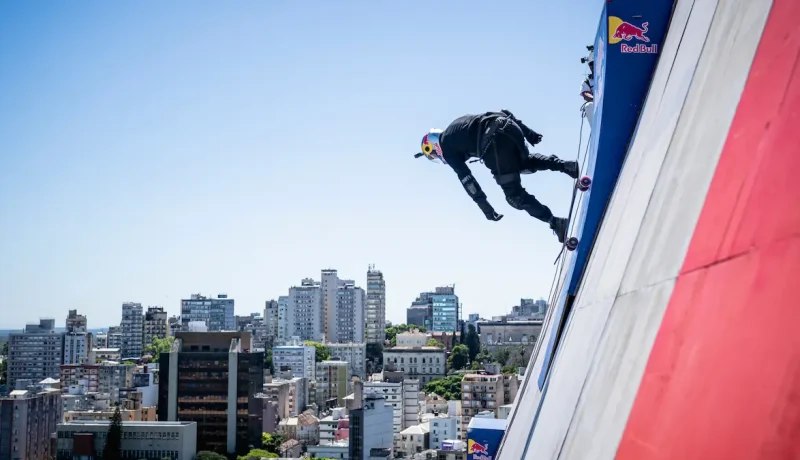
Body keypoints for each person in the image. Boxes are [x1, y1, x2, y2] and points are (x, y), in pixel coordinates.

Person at [414, 110, 579, 243]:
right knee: (523, 164)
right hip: (509, 127)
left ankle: (556, 222)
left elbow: (468, 181)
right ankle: (566, 165)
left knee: (514, 197)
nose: (438, 158)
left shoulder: (447, 147)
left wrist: (486, 209)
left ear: (433, 145)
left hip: (494, 143)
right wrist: (528, 133)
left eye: (434, 155)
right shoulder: (457, 125)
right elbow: (501, 113)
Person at [580, 54, 595, 128]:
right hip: (596, 104)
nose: (592, 66)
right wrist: (595, 98)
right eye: (590, 64)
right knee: (589, 105)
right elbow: (585, 94)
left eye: (594, 63)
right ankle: (596, 129)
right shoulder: (587, 81)